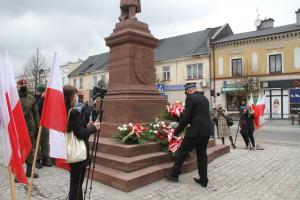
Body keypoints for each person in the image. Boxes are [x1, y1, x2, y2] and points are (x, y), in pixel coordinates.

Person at [166, 83, 213, 188]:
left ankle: (174, 175)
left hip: (196, 131)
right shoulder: (204, 98)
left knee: (182, 152)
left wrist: (177, 131)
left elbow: (186, 118)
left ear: (188, 90)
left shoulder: (191, 99)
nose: (186, 94)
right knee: (202, 155)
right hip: (206, 131)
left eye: (186, 92)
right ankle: (203, 180)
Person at [63, 86, 100, 200]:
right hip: (78, 155)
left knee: (75, 183)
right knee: (76, 184)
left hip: (70, 152)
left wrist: (87, 125)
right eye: (75, 95)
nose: (76, 97)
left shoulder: (63, 110)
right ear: (70, 97)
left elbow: (74, 129)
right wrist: (94, 128)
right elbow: (80, 134)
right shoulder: (73, 112)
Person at [17, 79, 39, 178]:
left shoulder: (31, 98)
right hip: (19, 127)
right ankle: (18, 173)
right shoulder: (15, 98)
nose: (23, 85)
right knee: (19, 150)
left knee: (30, 149)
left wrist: (38, 126)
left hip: (31, 127)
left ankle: (29, 171)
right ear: (18, 86)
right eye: (21, 84)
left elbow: (36, 113)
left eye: (25, 84)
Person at [34, 84, 52, 168]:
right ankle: (37, 159)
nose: (36, 92)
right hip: (36, 123)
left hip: (45, 122)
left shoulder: (46, 99)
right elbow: (36, 107)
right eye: (37, 91)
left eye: (38, 91)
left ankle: (45, 158)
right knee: (36, 142)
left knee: (45, 141)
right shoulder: (34, 98)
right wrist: (41, 98)